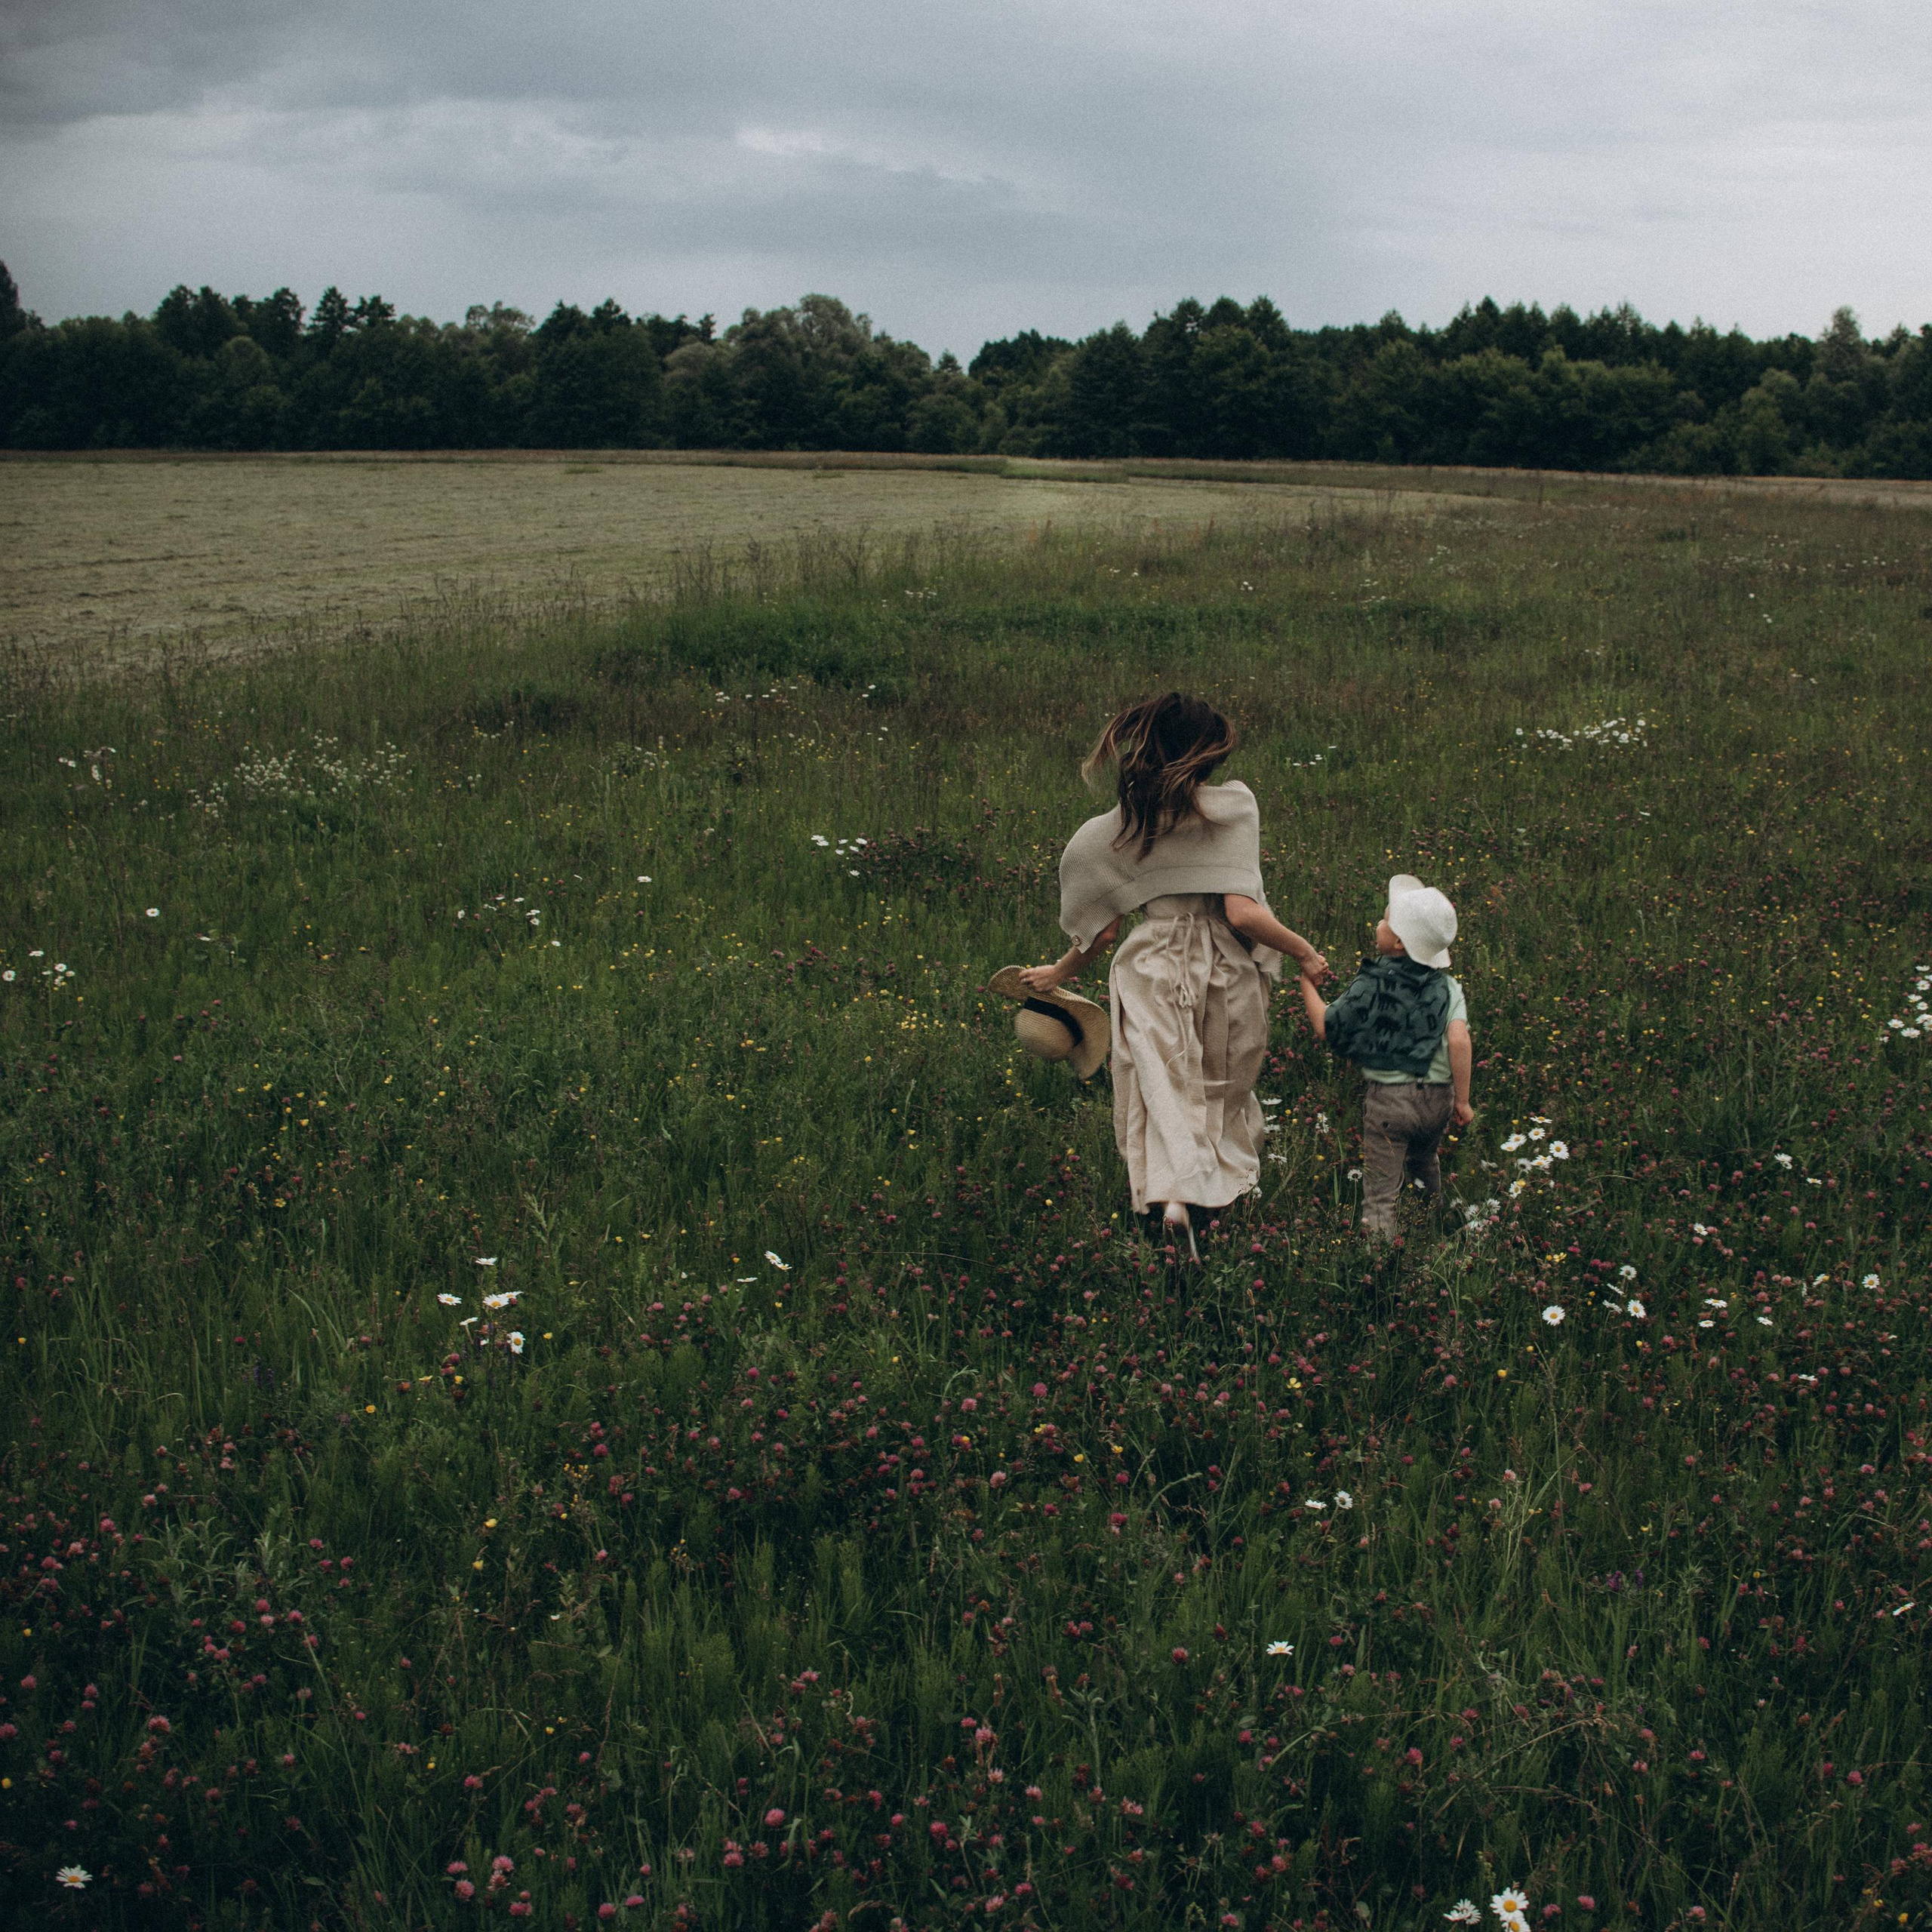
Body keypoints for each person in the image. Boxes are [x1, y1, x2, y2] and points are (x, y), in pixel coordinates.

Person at [1019, 693, 1328, 1259]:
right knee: (1218, 1084)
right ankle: (1203, 1188)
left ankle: (1175, 1196)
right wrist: (1303, 951)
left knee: (1162, 1082)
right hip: (1222, 969)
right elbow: (1242, 913)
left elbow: (1102, 930)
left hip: (1151, 964)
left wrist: (1059, 971)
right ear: (1208, 754)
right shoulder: (1233, 808)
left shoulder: (1123, 823)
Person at [1294, 873, 1472, 1242]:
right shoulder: (1449, 987)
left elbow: (1328, 1028)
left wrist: (1306, 985)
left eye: (1385, 918)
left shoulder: (1370, 984)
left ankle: (1377, 1261)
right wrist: (1464, 1101)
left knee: (1381, 1192)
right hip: (1438, 1099)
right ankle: (1432, 1225)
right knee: (1425, 1161)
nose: (1378, 922)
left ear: (1395, 942)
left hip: (1389, 1104)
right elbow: (1458, 1040)